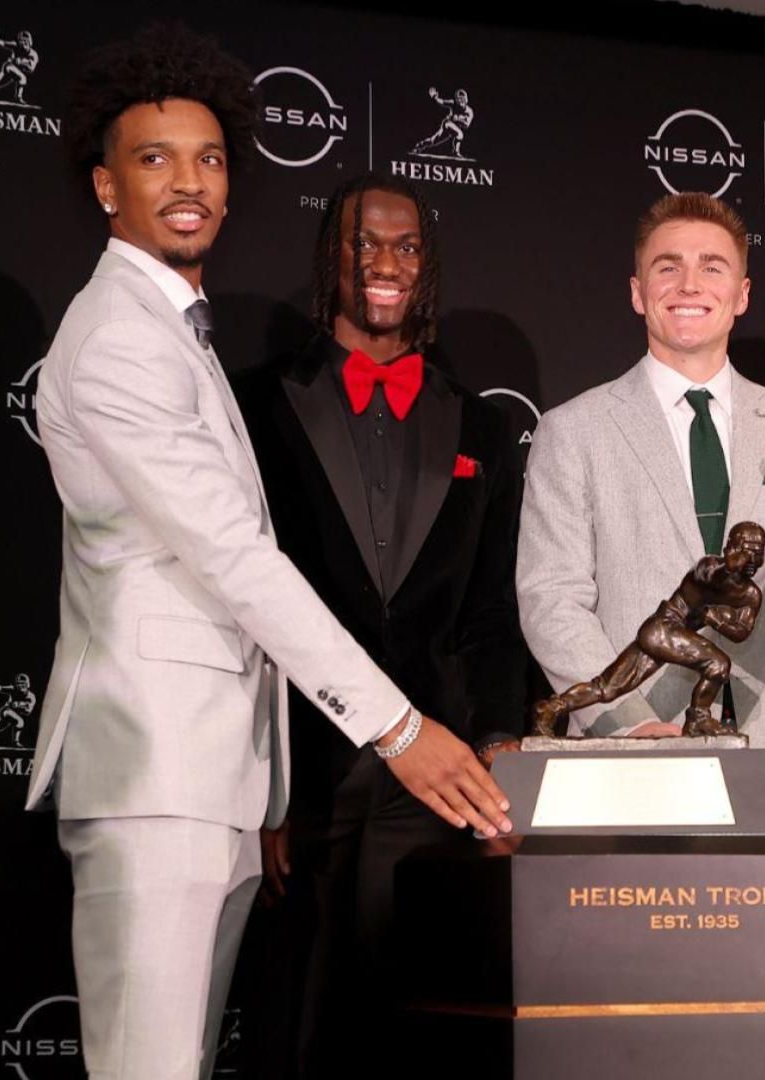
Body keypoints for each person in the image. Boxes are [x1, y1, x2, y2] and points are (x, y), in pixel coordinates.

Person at [27, 26, 509, 1080]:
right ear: (107, 187)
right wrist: (399, 729)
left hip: (211, 782)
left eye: (208, 159)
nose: (188, 182)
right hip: (157, 774)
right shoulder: (115, 337)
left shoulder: (174, 328)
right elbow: (235, 557)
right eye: (155, 160)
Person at [233, 171, 528, 1078]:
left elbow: (490, 608)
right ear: (332, 257)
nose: (386, 265)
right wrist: (260, 786)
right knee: (295, 1024)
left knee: (412, 1028)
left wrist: (500, 746)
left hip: (433, 774)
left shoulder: (479, 421)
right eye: (366, 243)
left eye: (406, 246)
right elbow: (239, 599)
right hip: (303, 777)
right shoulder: (254, 404)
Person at [517, 191, 765, 829]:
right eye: (667, 266)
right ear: (636, 290)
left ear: (742, 293)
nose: (688, 284)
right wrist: (630, 727)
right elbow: (551, 598)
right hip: (629, 764)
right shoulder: (573, 431)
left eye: (712, 267)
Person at [532, 522, 765, 738]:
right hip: (662, 628)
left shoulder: (751, 595)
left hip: (667, 636)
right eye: (746, 550)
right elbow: (711, 577)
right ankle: (698, 718)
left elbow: (741, 631)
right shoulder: (709, 567)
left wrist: (714, 618)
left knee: (608, 687)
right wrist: (729, 570)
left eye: (757, 553)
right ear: (729, 549)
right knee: (716, 665)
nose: (751, 558)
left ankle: (552, 708)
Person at [410, 88, 473, 159]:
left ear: (466, 100)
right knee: (460, 134)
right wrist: (435, 97)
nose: (460, 102)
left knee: (433, 141)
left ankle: (419, 145)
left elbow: (467, 125)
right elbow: (442, 102)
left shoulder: (469, 112)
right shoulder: (453, 103)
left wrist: (458, 120)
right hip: (448, 124)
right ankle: (456, 152)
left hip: (453, 129)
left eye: (462, 100)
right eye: (458, 100)